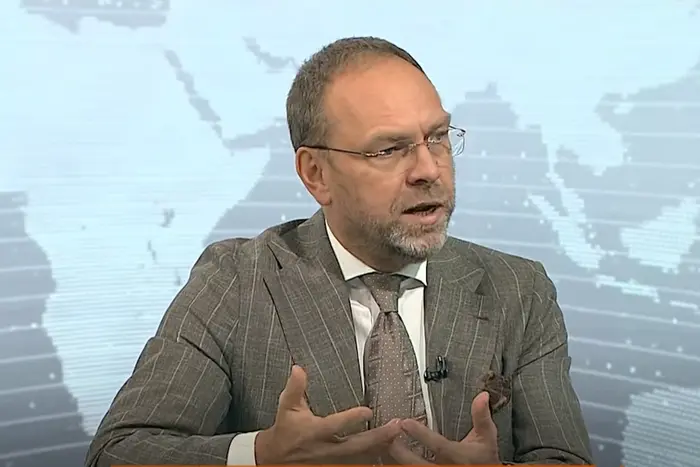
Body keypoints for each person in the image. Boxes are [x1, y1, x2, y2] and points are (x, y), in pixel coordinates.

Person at [86, 36, 594, 466]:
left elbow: (565, 457)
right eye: (389, 149)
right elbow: (118, 452)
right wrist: (260, 456)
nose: (429, 170)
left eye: (437, 137)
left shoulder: (518, 290)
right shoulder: (239, 282)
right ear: (316, 174)